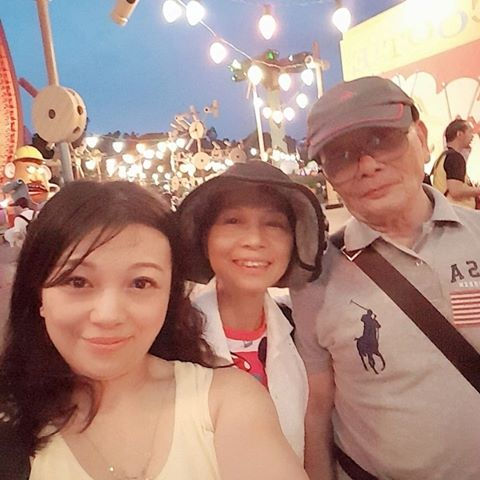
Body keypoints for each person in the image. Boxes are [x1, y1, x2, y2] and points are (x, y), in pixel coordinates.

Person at [0, 180, 309, 480]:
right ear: (38, 294)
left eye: (141, 283)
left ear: (170, 296)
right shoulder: (11, 426)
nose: (108, 315)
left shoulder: (224, 402)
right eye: (77, 281)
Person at [293, 76, 480, 480]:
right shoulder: (313, 281)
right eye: (341, 156)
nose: (367, 166)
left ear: (422, 138)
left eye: (382, 140)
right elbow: (316, 410)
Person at [176, 160, 327, 460]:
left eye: (274, 224)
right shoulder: (174, 339)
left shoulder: (301, 332)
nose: (255, 240)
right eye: (233, 221)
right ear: (205, 238)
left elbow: (313, 444)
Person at [431, 118, 478, 208]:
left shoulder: (443, 156)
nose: (472, 136)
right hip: (457, 211)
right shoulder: (455, 157)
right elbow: (456, 190)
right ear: (459, 134)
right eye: (469, 132)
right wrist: (477, 191)